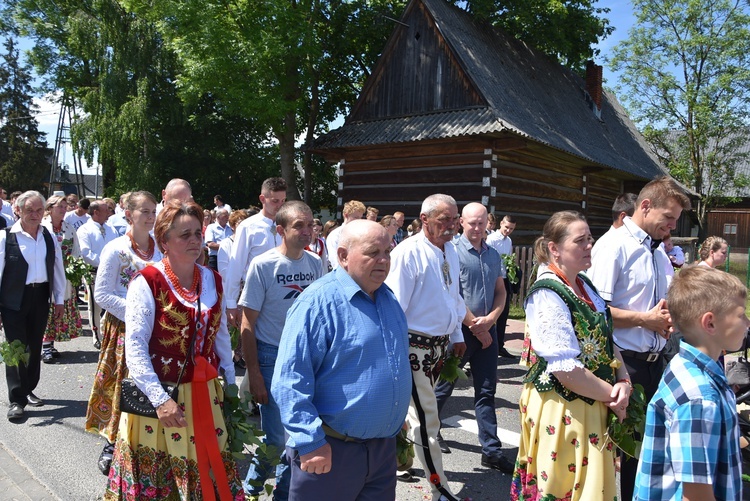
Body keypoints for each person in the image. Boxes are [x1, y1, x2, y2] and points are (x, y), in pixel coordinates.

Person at [105, 200, 242, 500]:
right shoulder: (147, 282)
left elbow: (220, 335)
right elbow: (136, 347)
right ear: (164, 240)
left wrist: (230, 385)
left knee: (208, 465)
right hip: (161, 395)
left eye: (198, 233)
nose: (195, 240)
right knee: (160, 472)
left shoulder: (211, 279)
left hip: (204, 392)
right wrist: (159, 400)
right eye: (185, 235)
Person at [272, 219, 410, 500]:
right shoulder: (317, 303)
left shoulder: (387, 298)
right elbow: (289, 382)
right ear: (344, 256)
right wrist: (311, 442)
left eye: (387, 252)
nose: (383, 260)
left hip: (380, 452)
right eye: (373, 252)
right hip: (330, 452)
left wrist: (394, 418)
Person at [511, 210, 630, 500]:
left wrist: (624, 380)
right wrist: (612, 396)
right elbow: (565, 368)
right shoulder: (548, 293)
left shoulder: (584, 284)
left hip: (595, 398)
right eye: (580, 241)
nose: (589, 245)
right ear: (554, 249)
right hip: (563, 404)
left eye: (590, 238)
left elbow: (605, 336)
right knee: (563, 484)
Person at [587, 175, 691, 501]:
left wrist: (669, 319)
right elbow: (593, 314)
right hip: (623, 364)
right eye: (668, 218)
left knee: (649, 451)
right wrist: (646, 320)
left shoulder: (660, 254)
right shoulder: (612, 246)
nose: (672, 227)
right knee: (624, 454)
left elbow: (660, 309)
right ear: (645, 206)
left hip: (654, 364)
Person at [386, 194, 479, 501]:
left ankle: (395, 461)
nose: (451, 226)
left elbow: (453, 296)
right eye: (444, 220)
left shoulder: (449, 250)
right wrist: (395, 356)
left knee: (415, 416)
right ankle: (439, 489)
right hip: (413, 349)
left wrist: (457, 335)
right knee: (427, 421)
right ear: (424, 219)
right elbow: (395, 309)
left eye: (454, 220)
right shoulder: (408, 253)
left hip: (438, 350)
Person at [634, 266, 747, 500]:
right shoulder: (699, 398)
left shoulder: (683, 365)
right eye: (741, 314)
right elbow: (695, 495)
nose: (747, 322)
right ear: (710, 323)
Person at [241, 201, 325, 499]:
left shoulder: (316, 263)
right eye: (299, 226)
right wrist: (254, 375)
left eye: (311, 224)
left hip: (305, 358)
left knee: (299, 437)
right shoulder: (263, 265)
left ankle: (283, 494)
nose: (307, 231)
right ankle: (250, 490)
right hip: (270, 357)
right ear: (281, 230)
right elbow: (247, 324)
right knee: (276, 439)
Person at [86, 191, 162, 476]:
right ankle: (111, 443)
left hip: (155, 327)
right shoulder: (116, 249)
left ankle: (143, 442)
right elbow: (103, 294)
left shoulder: (160, 249)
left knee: (150, 382)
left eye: (153, 211)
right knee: (123, 384)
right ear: (128, 214)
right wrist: (136, 314)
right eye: (145, 211)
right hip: (124, 327)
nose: (151, 216)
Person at [434, 203, 514, 472]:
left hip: (487, 330)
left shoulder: (493, 255)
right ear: (461, 223)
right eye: (472, 223)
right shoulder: (452, 254)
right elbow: (451, 294)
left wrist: (491, 319)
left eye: (482, 223)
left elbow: (501, 291)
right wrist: (475, 326)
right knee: (444, 387)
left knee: (486, 390)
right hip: (460, 333)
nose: (478, 228)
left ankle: (491, 450)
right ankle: (430, 432)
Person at [1, 191, 66, 421]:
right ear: (17, 210)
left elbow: (58, 268)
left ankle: (28, 388)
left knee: (35, 345)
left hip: (40, 297)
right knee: (16, 347)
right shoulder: (6, 237)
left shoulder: (48, 236)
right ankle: (16, 399)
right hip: (13, 300)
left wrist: (59, 299)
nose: (35, 215)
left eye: (39, 210)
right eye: (30, 210)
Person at [226, 177, 287, 328]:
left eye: (283, 201)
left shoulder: (287, 225)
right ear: (262, 198)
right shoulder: (248, 227)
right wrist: (231, 302)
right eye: (275, 201)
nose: (280, 206)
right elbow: (236, 265)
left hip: (282, 292)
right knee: (250, 343)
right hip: (255, 293)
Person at [40, 195, 83, 362]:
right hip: (47, 274)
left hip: (65, 274)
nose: (64, 210)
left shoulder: (68, 227)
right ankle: (45, 346)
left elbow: (76, 249)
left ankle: (50, 344)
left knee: (60, 308)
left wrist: (74, 267)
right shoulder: (43, 227)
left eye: (65, 207)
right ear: (50, 208)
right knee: (49, 308)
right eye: (60, 207)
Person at [78, 199, 117, 349]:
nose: (109, 212)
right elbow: (85, 253)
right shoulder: (85, 230)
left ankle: (108, 333)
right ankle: (97, 335)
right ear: (96, 212)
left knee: (111, 303)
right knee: (95, 305)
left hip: (112, 271)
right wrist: (105, 263)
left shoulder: (111, 228)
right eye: (106, 210)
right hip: (94, 271)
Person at [486, 215, 518, 359]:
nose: (508, 231)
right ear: (501, 224)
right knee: (493, 311)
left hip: (504, 278)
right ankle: (489, 344)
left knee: (504, 312)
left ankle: (500, 345)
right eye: (506, 227)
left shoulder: (509, 240)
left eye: (511, 229)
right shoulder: (492, 239)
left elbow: (509, 257)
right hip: (493, 278)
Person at [326, 200, 365, 270]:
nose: (359, 220)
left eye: (360, 217)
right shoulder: (335, 235)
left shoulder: (361, 234)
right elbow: (334, 259)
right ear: (346, 215)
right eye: (356, 217)